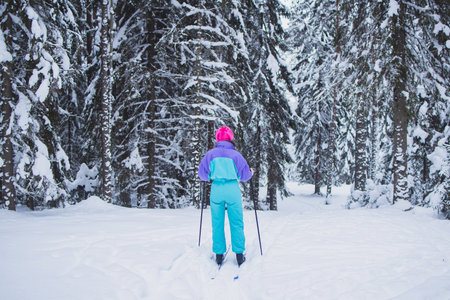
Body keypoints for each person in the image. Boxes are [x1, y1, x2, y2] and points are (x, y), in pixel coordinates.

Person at [198, 126, 253, 266]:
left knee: (217, 222)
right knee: (236, 221)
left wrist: (211, 174)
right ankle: (239, 254)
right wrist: (251, 172)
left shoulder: (210, 154)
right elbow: (245, 176)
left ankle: (218, 254)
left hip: (216, 188)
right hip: (232, 189)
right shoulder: (236, 155)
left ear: (217, 138)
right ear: (231, 138)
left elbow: (203, 175)